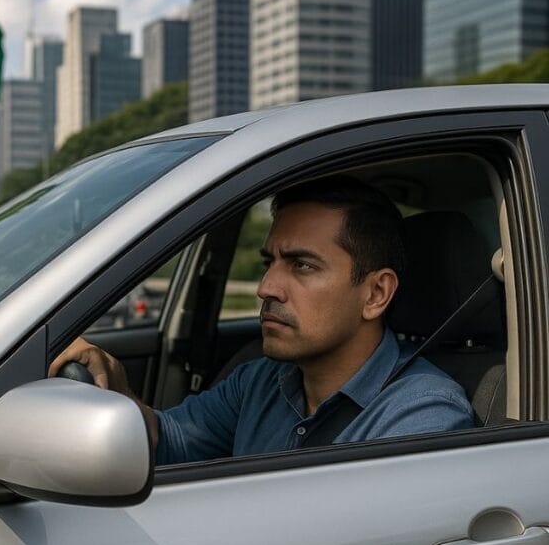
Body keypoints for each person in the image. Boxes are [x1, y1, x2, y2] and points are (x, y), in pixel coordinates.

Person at [49, 179, 474, 465]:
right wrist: (115, 389)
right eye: (269, 262)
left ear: (376, 293)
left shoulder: (424, 416)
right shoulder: (259, 380)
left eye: (303, 266)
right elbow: (169, 440)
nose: (266, 287)